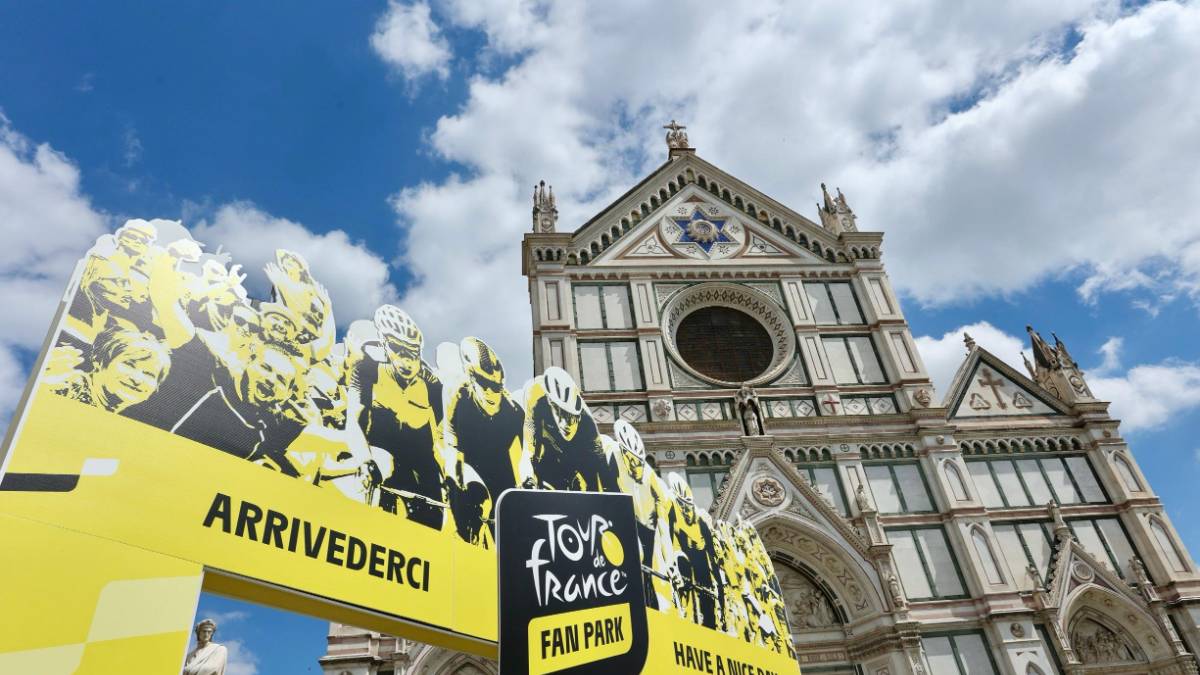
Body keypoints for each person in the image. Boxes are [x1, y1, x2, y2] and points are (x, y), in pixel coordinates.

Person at [348, 305, 446, 529]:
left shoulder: (431, 383)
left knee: (431, 528)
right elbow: (353, 420)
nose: (406, 359)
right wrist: (364, 460)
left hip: (422, 463)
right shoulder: (366, 370)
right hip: (381, 455)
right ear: (383, 343)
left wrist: (448, 472)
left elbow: (444, 435)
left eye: (413, 352)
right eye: (397, 348)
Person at [443, 337, 522, 544]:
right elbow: (449, 439)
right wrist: (454, 472)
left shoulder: (514, 411)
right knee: (467, 507)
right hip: (466, 460)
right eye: (483, 384)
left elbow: (525, 458)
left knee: (507, 527)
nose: (490, 392)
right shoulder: (458, 394)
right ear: (471, 378)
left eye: (496, 387)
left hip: (499, 467)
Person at [519, 367, 616, 492]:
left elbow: (603, 471)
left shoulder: (587, 424)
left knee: (591, 476)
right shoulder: (536, 399)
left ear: (579, 416)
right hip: (549, 452)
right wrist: (528, 478)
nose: (565, 424)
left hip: (575, 455)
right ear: (551, 405)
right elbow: (529, 449)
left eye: (571, 418)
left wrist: (608, 492)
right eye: (560, 415)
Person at [611, 420, 674, 610]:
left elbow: (664, 528)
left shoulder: (654, 481)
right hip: (627, 524)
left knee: (651, 579)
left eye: (637, 462)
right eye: (629, 461)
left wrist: (669, 560)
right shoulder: (614, 462)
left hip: (649, 531)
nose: (634, 467)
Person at [41, 327, 171, 414]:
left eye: (149, 374)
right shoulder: (64, 387)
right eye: (129, 364)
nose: (137, 379)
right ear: (99, 361)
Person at [667, 472, 722, 630]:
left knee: (710, 621)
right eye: (681, 506)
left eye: (688, 505)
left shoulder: (702, 523)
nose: (686, 510)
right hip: (684, 574)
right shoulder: (673, 518)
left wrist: (719, 589)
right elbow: (669, 542)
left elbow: (713, 559)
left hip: (704, 578)